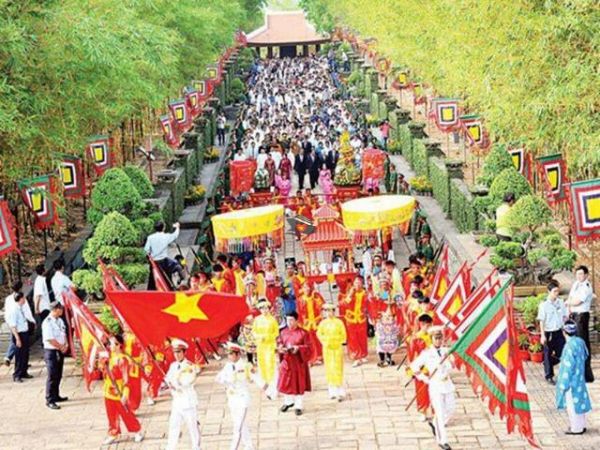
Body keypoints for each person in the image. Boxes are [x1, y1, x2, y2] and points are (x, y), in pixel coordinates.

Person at [409, 326, 455, 450]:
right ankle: (443, 440)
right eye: (436, 338)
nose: (438, 341)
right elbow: (414, 367)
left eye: (440, 338)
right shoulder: (427, 353)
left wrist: (451, 359)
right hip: (435, 385)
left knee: (450, 409)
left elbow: (452, 367)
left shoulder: (447, 351)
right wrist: (425, 378)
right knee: (439, 412)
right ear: (431, 339)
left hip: (448, 384)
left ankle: (435, 424)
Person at [216, 342, 268, 450]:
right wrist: (226, 381)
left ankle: (233, 447)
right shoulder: (228, 366)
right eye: (228, 354)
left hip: (242, 398)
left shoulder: (245, 366)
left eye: (231, 354)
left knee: (237, 427)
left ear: (238, 354)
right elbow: (218, 378)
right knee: (241, 424)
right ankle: (249, 446)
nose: (229, 356)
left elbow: (256, 377)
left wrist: (266, 388)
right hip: (232, 399)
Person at [101, 334, 143, 445]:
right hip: (108, 390)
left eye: (113, 344)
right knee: (111, 413)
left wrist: (125, 393)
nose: (110, 346)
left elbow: (126, 379)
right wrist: (102, 365)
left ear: (119, 345)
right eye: (109, 343)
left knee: (126, 412)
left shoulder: (123, 360)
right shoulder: (109, 357)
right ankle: (113, 432)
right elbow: (104, 373)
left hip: (118, 390)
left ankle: (136, 430)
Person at [556, 321, 592, 435]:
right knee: (579, 402)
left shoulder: (569, 346)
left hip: (572, 380)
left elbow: (568, 367)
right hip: (580, 377)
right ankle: (581, 425)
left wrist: (563, 383)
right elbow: (586, 355)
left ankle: (576, 428)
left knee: (572, 405)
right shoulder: (580, 341)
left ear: (564, 332)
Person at [165, 338, 201, 450]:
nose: (176, 355)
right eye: (175, 352)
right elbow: (167, 378)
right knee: (173, 425)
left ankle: (196, 447)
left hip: (188, 402)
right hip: (177, 402)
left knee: (192, 427)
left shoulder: (189, 366)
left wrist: (173, 383)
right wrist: (169, 382)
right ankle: (170, 447)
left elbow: (186, 382)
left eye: (179, 352)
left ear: (184, 352)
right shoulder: (173, 365)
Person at [277, 312, 312, 416]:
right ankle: (288, 402)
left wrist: (298, 348)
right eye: (287, 320)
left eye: (291, 320)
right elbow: (279, 343)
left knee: (298, 384)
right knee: (285, 383)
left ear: (297, 320)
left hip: (298, 363)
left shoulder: (303, 333)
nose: (289, 322)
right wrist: (280, 348)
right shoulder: (283, 332)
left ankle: (298, 405)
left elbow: (309, 347)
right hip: (287, 361)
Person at [566, 265, 595, 383]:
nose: (579, 276)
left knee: (582, 343)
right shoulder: (576, 284)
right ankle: (578, 371)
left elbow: (577, 302)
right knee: (574, 343)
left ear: (586, 275)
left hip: (581, 317)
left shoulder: (586, 286)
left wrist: (569, 303)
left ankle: (586, 373)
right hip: (574, 315)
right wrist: (569, 307)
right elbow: (570, 297)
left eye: (581, 274)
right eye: (577, 274)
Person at [537, 280, 568, 384]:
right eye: (554, 291)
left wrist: (565, 331)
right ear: (549, 292)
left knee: (563, 353)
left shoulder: (560, 303)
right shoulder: (544, 305)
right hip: (548, 333)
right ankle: (549, 375)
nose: (556, 293)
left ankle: (547, 363)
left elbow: (564, 317)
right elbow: (541, 321)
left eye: (557, 291)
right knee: (548, 354)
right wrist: (542, 335)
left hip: (558, 332)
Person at [316, 303, 347, 401]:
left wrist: (337, 340)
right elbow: (319, 334)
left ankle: (340, 388)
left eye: (330, 310)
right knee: (329, 367)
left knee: (338, 367)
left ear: (334, 311)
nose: (328, 313)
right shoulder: (322, 323)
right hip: (327, 348)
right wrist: (325, 341)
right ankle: (332, 389)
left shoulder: (339, 322)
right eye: (326, 310)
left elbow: (343, 335)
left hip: (337, 348)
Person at [42, 302, 68, 409]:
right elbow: (50, 339)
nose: (61, 311)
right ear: (55, 310)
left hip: (60, 350)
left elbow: (63, 333)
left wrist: (65, 344)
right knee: (52, 375)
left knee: (59, 374)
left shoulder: (60, 320)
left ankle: (56, 395)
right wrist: (60, 346)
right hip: (51, 351)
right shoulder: (47, 322)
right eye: (60, 309)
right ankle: (49, 399)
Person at [144, 221, 184, 290]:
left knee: (152, 280)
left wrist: (150, 257)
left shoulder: (150, 237)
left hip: (154, 262)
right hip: (164, 261)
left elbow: (146, 250)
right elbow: (175, 235)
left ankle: (151, 294)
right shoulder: (166, 236)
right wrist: (177, 227)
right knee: (166, 279)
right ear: (163, 228)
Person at [252, 299, 279, 399]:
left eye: (266, 308)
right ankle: (267, 387)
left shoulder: (272, 320)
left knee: (271, 366)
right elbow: (254, 332)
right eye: (262, 308)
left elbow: (276, 333)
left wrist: (268, 337)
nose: (264, 310)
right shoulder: (257, 320)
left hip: (270, 345)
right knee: (262, 366)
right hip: (261, 346)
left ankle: (274, 388)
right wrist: (259, 337)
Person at [3, 281, 34, 367]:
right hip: (20, 325)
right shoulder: (21, 298)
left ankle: (9, 357)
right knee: (22, 347)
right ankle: (21, 365)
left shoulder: (8, 298)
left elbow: (6, 311)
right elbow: (27, 311)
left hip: (11, 323)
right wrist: (32, 321)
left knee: (14, 341)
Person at [342, 276, 369, 367]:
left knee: (362, 337)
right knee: (353, 339)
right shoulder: (350, 292)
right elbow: (344, 304)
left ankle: (363, 354)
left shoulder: (365, 293)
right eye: (356, 283)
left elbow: (368, 305)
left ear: (362, 284)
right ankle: (356, 357)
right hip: (351, 319)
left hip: (361, 318)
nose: (357, 284)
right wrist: (350, 295)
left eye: (359, 283)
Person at [296, 282, 324, 365]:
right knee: (309, 341)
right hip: (307, 324)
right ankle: (312, 358)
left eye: (308, 287)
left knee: (317, 340)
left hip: (316, 322)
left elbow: (321, 306)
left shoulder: (315, 297)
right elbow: (300, 313)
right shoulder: (300, 300)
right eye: (304, 287)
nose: (307, 289)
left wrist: (317, 296)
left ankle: (319, 356)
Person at [6, 293, 32, 382]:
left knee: (25, 354)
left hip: (24, 332)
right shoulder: (14, 310)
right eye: (23, 298)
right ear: (20, 299)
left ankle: (23, 371)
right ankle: (17, 374)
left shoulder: (20, 308)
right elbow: (13, 326)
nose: (25, 299)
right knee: (19, 355)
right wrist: (17, 338)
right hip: (19, 334)